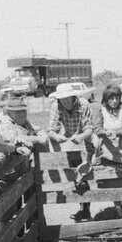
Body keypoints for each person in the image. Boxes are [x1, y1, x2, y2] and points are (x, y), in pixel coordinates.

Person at [41, 86, 95, 222]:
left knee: (84, 174)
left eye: (67, 98)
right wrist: (56, 136)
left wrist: (81, 136)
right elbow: (51, 129)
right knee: (74, 176)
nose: (65, 101)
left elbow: (89, 128)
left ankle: (85, 209)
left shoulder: (83, 104)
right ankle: (83, 209)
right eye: (62, 99)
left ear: (72, 96)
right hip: (68, 142)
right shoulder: (56, 106)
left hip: (83, 140)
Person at [92, 83, 122, 165]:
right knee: (95, 154)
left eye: (117, 98)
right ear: (106, 99)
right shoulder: (102, 110)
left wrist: (116, 133)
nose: (115, 101)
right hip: (107, 140)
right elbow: (97, 128)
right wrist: (106, 132)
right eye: (111, 98)